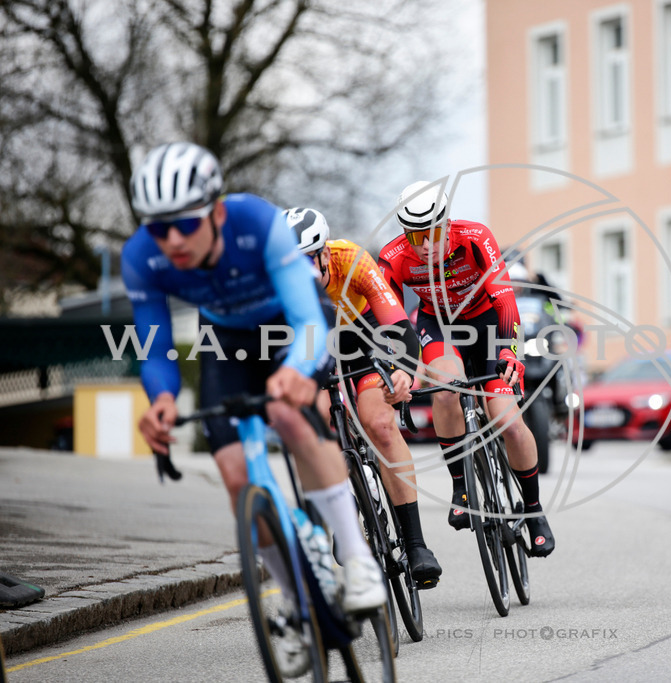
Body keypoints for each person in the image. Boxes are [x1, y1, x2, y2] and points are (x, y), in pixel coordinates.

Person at [122, 142, 385, 677]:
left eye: (184, 223)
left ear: (216, 212)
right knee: (234, 471)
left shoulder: (256, 223)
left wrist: (298, 367)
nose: (171, 239)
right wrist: (163, 401)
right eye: (157, 227)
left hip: (289, 323)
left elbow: (309, 316)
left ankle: (357, 560)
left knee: (291, 415)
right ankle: (292, 602)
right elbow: (153, 346)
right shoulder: (142, 258)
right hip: (227, 337)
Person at [377, 181, 555, 557]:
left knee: (507, 420)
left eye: (434, 233)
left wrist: (508, 352)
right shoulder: (393, 257)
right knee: (444, 389)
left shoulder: (475, 237)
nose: (425, 245)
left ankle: (534, 510)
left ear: (447, 222)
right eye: (415, 236)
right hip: (439, 326)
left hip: (488, 323)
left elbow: (505, 300)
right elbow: (387, 321)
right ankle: (461, 485)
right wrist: (398, 367)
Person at [284, 206, 442, 587]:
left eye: (309, 262)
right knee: (315, 419)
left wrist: (404, 368)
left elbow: (398, 324)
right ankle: (344, 500)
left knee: (380, 424)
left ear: (324, 254)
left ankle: (416, 544)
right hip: (313, 339)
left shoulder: (350, 259)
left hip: (364, 335)